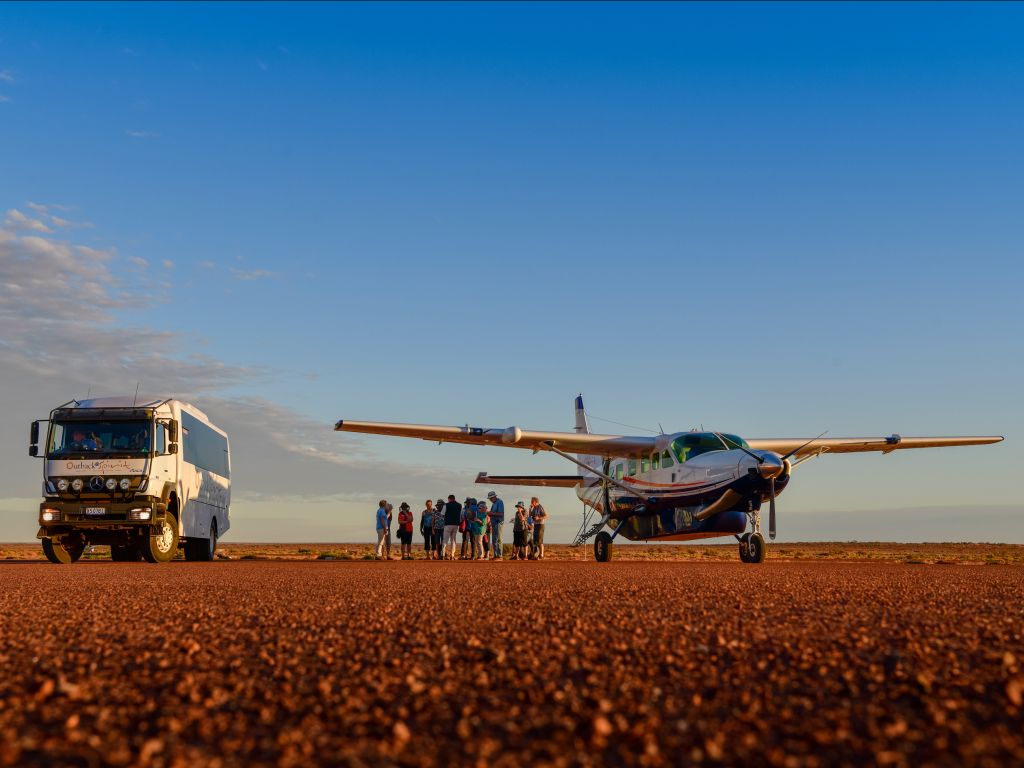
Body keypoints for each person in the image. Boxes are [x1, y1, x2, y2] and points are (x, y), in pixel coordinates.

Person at [442, 494, 462, 560]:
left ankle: (443, 555)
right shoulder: (459, 505)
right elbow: (460, 515)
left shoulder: (446, 505)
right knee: (453, 540)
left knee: (445, 540)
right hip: (455, 524)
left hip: (448, 524)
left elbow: (442, 514)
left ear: (449, 499)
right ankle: (452, 555)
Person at [486, 491, 505, 560]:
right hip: (494, 523)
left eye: (491, 498)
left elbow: (501, 514)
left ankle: (499, 556)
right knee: (494, 540)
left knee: (498, 539)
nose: (490, 500)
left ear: (494, 497)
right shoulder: (494, 503)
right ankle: (496, 555)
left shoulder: (499, 502)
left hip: (498, 522)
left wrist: (491, 513)